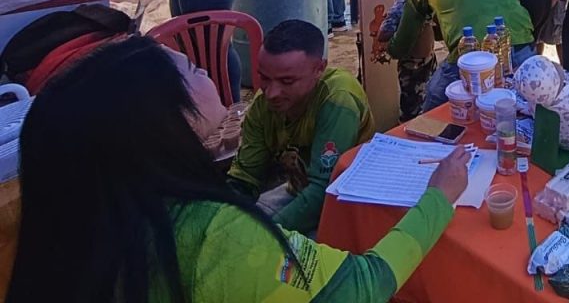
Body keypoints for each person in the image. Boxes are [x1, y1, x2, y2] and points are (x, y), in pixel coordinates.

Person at [8, 35, 467, 303]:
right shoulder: (213, 236)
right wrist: (439, 196)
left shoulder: (86, 221)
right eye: (194, 69)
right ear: (166, 119)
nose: (269, 91)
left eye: (286, 81)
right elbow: (360, 285)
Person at [228, 19, 374, 235]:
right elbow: (245, 176)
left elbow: (323, 191)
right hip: (298, 190)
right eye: (264, 78)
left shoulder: (338, 100)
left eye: (287, 81)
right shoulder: (262, 106)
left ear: (319, 69)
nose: (272, 93)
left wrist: (266, 234)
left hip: (348, 204)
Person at [388, 0, 536, 112]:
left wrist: (387, 48)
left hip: (475, 49)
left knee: (435, 100)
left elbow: (401, 45)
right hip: (521, 38)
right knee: (525, 104)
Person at [377, 0, 440, 121]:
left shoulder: (425, 2)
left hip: (428, 61)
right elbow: (383, 33)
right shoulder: (402, 5)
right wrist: (405, 33)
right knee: (411, 105)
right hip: (411, 66)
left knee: (430, 96)